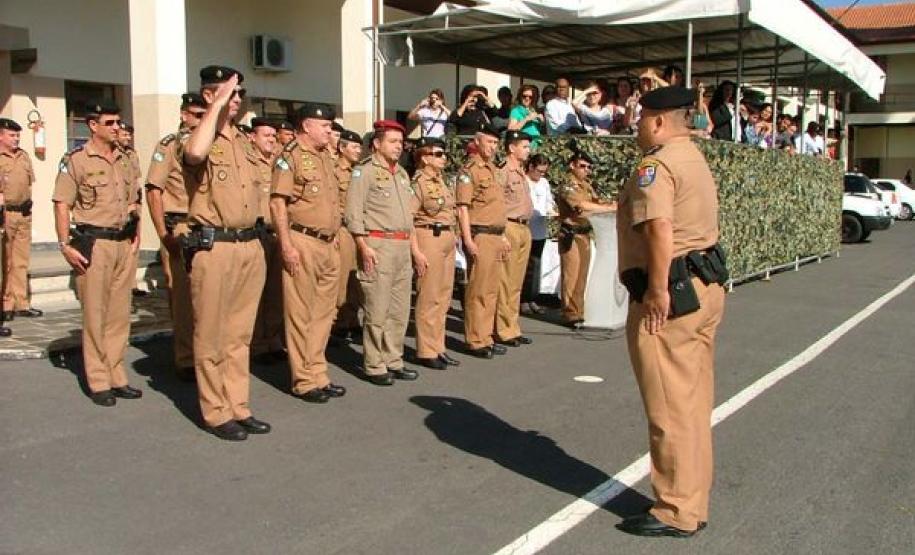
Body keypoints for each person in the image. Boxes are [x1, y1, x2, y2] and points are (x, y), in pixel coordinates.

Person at [616, 86, 727, 537]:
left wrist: (658, 290)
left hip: (671, 297)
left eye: (641, 117)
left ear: (658, 121)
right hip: (704, 287)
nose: (637, 125)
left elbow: (660, 229)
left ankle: (676, 510)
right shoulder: (693, 157)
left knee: (669, 406)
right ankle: (692, 500)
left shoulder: (656, 165)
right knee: (694, 403)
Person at [181, 65, 270, 440]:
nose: (237, 101)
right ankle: (216, 411)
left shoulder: (243, 141)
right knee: (212, 334)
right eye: (230, 94)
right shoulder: (197, 136)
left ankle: (238, 405)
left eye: (238, 95)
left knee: (239, 335)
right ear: (209, 95)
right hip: (214, 246)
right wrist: (215, 108)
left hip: (249, 244)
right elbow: (196, 153)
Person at [52, 99, 143, 406]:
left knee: (119, 316)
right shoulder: (77, 159)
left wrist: (137, 235)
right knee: (95, 314)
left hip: (122, 243)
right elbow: (62, 203)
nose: (117, 127)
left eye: (118, 122)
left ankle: (117, 375)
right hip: (95, 243)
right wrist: (64, 244)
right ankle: (98, 380)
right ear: (93, 126)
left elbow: (135, 201)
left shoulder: (127, 157)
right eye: (110, 123)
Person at [271, 103, 347, 403]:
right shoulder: (290, 157)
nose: (330, 130)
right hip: (302, 241)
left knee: (323, 314)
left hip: (328, 243)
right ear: (306, 126)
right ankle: (303, 379)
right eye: (324, 125)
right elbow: (278, 203)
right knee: (301, 313)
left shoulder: (326, 157)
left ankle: (318, 372)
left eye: (331, 125)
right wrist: (286, 244)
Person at [346, 120, 418, 385]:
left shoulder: (401, 173)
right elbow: (353, 213)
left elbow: (408, 216)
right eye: (392, 141)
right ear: (377, 144)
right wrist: (363, 246)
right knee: (377, 309)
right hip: (378, 245)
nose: (398, 147)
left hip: (401, 245)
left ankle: (393, 359)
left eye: (400, 142)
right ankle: (374, 364)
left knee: (399, 310)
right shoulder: (364, 172)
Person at [144, 92, 207, 382]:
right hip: (180, 225)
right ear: (183, 115)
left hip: (206, 226)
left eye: (204, 114)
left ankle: (205, 354)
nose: (200, 119)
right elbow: (154, 190)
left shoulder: (211, 144)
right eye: (196, 114)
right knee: (182, 296)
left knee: (206, 297)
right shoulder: (169, 146)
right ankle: (185, 358)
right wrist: (162, 231)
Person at [456, 124, 510, 358]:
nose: (493, 147)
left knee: (491, 291)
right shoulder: (469, 171)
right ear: (477, 142)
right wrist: (467, 239)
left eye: (496, 143)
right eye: (489, 142)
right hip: (481, 235)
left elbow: (496, 207)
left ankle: (486, 335)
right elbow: (463, 208)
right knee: (478, 290)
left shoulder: (493, 170)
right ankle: (476, 339)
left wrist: (504, 235)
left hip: (496, 234)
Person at [410, 136, 460, 370]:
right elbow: (408, 219)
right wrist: (416, 251)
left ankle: (438, 346)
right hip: (428, 236)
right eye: (438, 154)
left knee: (443, 295)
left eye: (443, 154)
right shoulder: (418, 183)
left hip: (447, 238)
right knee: (428, 296)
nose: (444, 158)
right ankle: (426, 349)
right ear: (425, 157)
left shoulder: (442, 181)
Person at [556, 151, 615, 328]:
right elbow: (581, 206)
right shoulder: (568, 185)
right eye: (582, 166)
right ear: (572, 165)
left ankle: (578, 310)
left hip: (584, 233)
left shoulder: (586, 186)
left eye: (588, 167)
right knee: (572, 275)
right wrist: (607, 208)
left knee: (581, 275)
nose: (586, 170)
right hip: (571, 233)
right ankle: (571, 313)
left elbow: (597, 203)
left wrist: (610, 205)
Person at [249, 117, 286, 364]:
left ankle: (272, 338)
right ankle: (256, 343)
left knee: (275, 291)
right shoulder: (246, 162)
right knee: (255, 294)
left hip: (276, 233)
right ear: (252, 137)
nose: (272, 140)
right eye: (266, 135)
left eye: (274, 136)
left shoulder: (278, 163)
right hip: (255, 234)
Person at [0, 117, 42, 322]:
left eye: (18, 135)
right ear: (1, 136)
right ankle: (6, 303)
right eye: (12, 135)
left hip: (24, 213)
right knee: (5, 261)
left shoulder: (23, 156)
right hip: (6, 213)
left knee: (21, 261)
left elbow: (28, 183)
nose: (16, 139)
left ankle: (21, 302)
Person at [495, 130, 534, 346]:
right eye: (525, 146)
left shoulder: (520, 171)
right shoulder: (504, 171)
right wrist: (500, 233)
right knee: (505, 281)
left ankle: (513, 325)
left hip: (523, 228)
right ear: (512, 148)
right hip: (509, 226)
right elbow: (498, 203)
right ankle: (503, 329)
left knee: (517, 282)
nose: (528, 150)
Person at [332, 128, 364, 340]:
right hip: (342, 229)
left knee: (357, 278)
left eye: (360, 147)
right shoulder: (334, 170)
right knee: (341, 279)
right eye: (354, 147)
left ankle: (352, 318)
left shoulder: (359, 171)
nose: (358, 151)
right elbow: (331, 203)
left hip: (359, 230)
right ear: (342, 148)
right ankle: (337, 322)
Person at [521, 153, 554, 315]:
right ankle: (522, 299)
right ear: (531, 167)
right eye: (539, 171)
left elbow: (548, 201)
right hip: (526, 228)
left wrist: (550, 210)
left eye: (544, 172)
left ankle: (532, 297)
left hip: (539, 228)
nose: (541, 175)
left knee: (536, 265)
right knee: (524, 266)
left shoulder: (544, 183)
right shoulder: (523, 180)